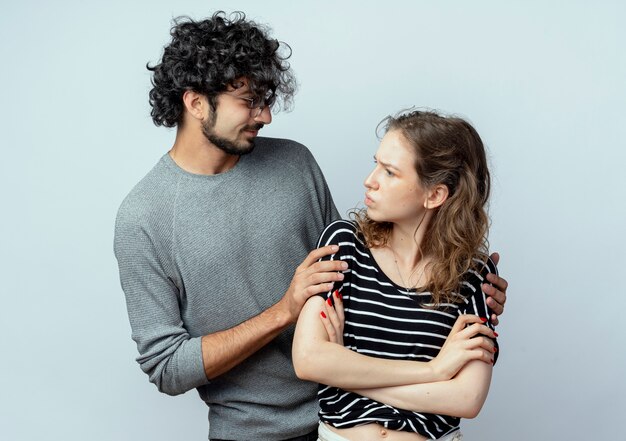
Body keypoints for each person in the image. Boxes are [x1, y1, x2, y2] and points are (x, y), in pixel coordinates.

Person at [114, 12, 509, 441]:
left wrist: (462, 281)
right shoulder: (144, 218)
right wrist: (283, 311)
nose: (265, 115)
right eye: (248, 101)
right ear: (195, 103)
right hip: (252, 431)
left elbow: (371, 269)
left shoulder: (294, 163)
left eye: (266, 98)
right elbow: (167, 367)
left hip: (345, 415)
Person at [293, 110, 501, 441]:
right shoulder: (344, 245)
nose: (370, 180)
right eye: (376, 164)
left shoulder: (475, 276)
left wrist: (345, 371)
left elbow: (467, 398)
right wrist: (434, 371)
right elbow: (307, 360)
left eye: (390, 172)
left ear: (434, 195)